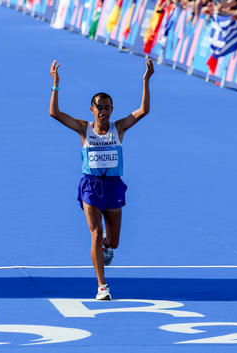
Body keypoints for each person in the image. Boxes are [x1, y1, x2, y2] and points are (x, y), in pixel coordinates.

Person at [49, 58, 155, 300]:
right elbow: (54, 113)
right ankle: (102, 286)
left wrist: (146, 80)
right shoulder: (83, 128)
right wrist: (56, 84)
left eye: (108, 107)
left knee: (113, 242)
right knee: (96, 233)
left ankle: (107, 246)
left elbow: (143, 111)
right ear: (92, 110)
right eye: (100, 107)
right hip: (91, 186)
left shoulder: (119, 128)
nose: (105, 111)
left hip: (114, 187)